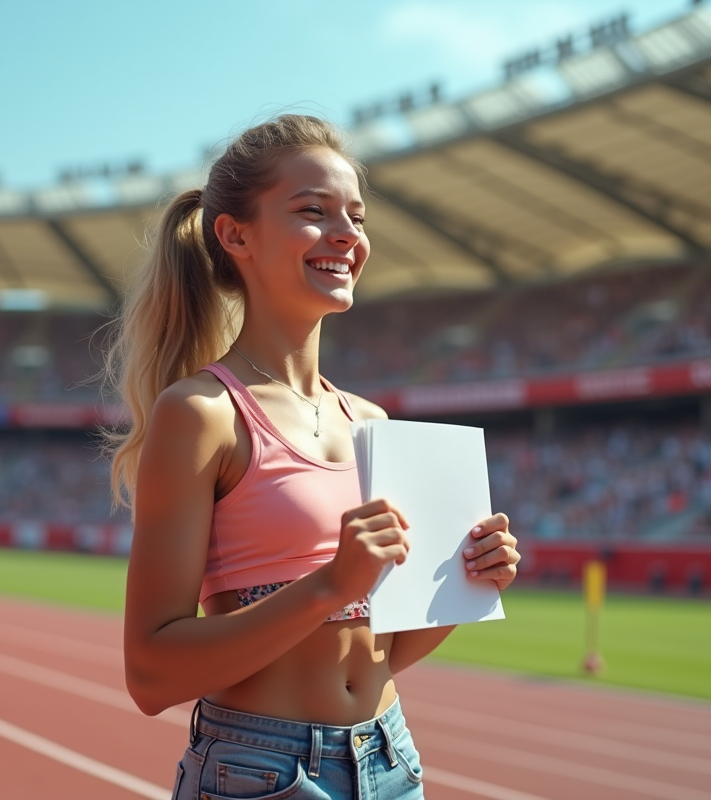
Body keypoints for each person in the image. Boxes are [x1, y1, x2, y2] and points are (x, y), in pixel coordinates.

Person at [103, 115, 521, 799]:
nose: (347, 236)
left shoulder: (374, 422)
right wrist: (332, 584)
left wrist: (467, 588)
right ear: (235, 234)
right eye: (313, 212)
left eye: (356, 218)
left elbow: (382, 656)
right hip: (262, 770)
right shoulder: (202, 413)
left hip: (391, 759)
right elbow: (151, 675)